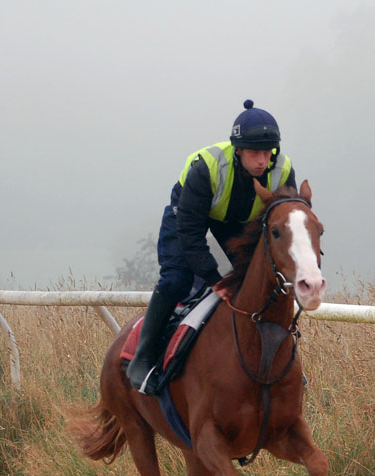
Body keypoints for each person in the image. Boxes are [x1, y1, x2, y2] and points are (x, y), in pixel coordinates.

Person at [126, 100, 297, 393]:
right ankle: (142, 357)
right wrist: (214, 279)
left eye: (268, 153)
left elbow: (288, 219)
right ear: (238, 150)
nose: (262, 160)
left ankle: (273, 364)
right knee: (177, 279)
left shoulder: (282, 170)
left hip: (237, 220)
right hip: (189, 214)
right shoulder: (206, 169)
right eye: (254, 153)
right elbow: (191, 237)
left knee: (258, 282)